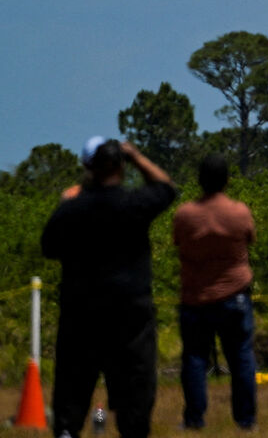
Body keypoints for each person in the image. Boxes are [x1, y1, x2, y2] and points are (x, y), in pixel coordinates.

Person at [42, 138, 178, 438]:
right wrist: (137, 156)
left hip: (81, 314)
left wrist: (68, 205)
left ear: (89, 168)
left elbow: (48, 246)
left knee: (73, 388)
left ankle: (67, 430)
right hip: (130, 318)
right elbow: (167, 188)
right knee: (134, 391)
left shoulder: (72, 209)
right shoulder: (134, 203)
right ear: (121, 166)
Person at [172, 154, 257, 430]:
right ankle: (246, 421)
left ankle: (195, 419)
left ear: (199, 180)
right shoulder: (240, 212)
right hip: (235, 295)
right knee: (241, 357)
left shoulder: (184, 214)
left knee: (195, 359)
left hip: (196, 298)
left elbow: (177, 243)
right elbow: (251, 238)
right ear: (227, 180)